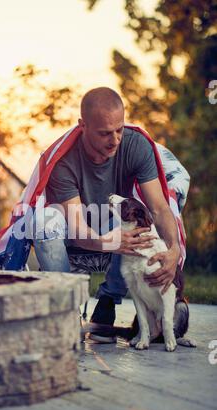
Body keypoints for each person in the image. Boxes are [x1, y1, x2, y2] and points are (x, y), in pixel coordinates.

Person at [32, 87, 182, 343]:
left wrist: (174, 249)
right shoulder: (63, 160)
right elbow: (79, 231)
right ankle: (69, 311)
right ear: (83, 126)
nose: (114, 140)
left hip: (114, 223)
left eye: (119, 130)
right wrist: (111, 241)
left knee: (137, 224)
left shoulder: (136, 145)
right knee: (44, 221)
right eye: (104, 133)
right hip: (73, 231)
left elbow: (159, 208)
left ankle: (107, 304)